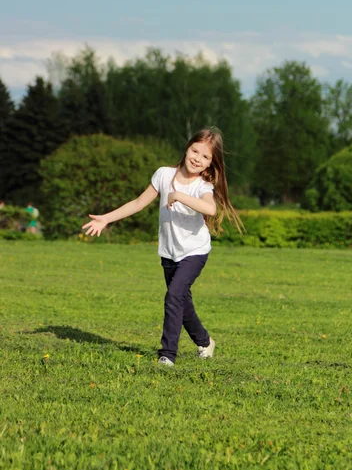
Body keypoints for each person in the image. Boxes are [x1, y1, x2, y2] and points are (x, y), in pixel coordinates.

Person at [82, 127, 243, 366]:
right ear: (187, 148)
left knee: (174, 296)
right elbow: (138, 202)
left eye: (205, 156)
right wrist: (106, 218)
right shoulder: (163, 175)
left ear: (210, 164)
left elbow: (210, 209)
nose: (197, 158)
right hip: (169, 252)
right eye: (195, 150)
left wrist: (179, 196)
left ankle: (167, 354)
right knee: (181, 300)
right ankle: (205, 341)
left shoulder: (202, 187)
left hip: (194, 252)